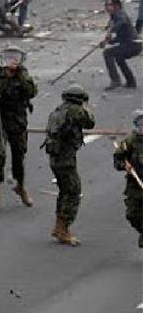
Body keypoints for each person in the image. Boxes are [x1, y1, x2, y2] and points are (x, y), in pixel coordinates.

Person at [0, 46, 37, 207]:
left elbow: (32, 92)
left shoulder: (23, 75)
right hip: (0, 120)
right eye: (9, 57)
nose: (12, 60)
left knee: (18, 156)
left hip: (18, 121)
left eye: (16, 57)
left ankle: (21, 187)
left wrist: (22, 78)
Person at [43, 84, 95, 246]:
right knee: (73, 192)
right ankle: (64, 228)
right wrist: (86, 109)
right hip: (65, 158)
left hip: (56, 157)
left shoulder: (58, 110)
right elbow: (90, 123)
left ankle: (59, 226)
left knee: (64, 191)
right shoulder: (75, 110)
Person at [113, 110, 143, 248]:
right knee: (132, 214)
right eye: (140, 124)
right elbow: (118, 160)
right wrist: (125, 166)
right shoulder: (129, 142)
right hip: (135, 185)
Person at [100, 0, 141, 90]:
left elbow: (121, 22)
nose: (107, 7)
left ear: (117, 6)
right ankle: (131, 81)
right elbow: (120, 37)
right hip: (129, 44)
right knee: (118, 56)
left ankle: (115, 80)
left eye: (110, 5)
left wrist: (111, 31)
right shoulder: (114, 17)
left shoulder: (120, 14)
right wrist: (108, 42)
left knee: (108, 53)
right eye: (106, 5)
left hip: (133, 44)